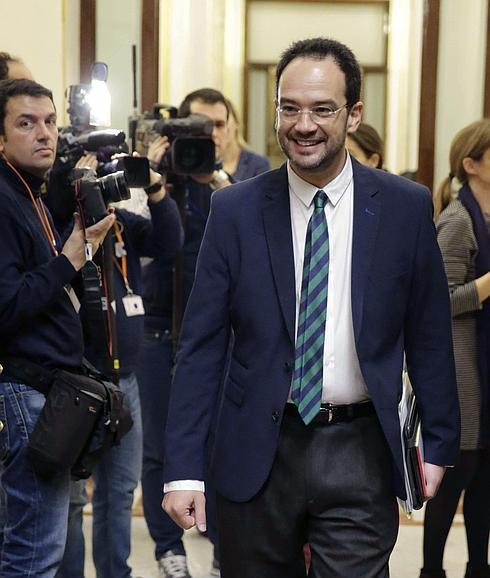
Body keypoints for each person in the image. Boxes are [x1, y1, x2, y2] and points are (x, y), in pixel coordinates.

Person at [162, 37, 460, 578]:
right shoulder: (234, 211)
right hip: (256, 448)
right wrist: (182, 468)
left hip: (360, 449)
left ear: (354, 114)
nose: (305, 124)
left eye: (323, 109)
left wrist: (438, 443)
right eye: (290, 107)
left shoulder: (403, 207)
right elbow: (201, 346)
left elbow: (431, 335)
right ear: (275, 110)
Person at [50, 145, 183, 578]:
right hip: (73, 384)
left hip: (125, 381)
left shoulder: (123, 225)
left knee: (121, 491)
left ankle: (115, 573)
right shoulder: (56, 229)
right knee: (71, 499)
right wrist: (70, 192)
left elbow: (169, 242)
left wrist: (157, 187)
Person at [0, 78, 114, 577]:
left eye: (49, 121)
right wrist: (70, 258)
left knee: (40, 549)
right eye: (26, 123)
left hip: (46, 391)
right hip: (26, 392)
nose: (43, 133)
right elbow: (8, 304)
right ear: (1, 138)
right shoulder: (4, 199)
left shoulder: (31, 193)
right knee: (33, 556)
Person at [137, 88, 235, 578]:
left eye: (216, 126)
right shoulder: (159, 178)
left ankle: (222, 541)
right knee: (158, 445)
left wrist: (215, 177)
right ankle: (167, 547)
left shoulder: (248, 175)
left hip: (220, 333)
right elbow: (133, 238)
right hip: (155, 326)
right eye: (197, 130)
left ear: (231, 128)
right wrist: (146, 177)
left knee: (220, 441)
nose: (208, 136)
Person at [420, 120, 490, 578]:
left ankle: (477, 568)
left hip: (487, 366)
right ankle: (431, 571)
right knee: (455, 480)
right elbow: (436, 301)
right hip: (465, 370)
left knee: (485, 482)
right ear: (472, 164)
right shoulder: (457, 220)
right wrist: (487, 286)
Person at [222, 99, 270, 181]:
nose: (218, 130)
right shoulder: (202, 164)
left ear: (236, 122)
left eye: (222, 122)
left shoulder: (258, 164)